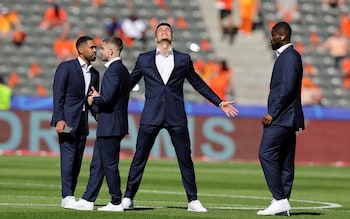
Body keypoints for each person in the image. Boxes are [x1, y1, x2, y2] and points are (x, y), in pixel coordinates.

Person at [121, 22, 239, 212]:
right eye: (160, 30)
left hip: (176, 116)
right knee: (139, 158)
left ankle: (193, 200)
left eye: (167, 30)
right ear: (155, 38)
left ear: (172, 37)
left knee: (185, 158)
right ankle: (128, 197)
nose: (164, 32)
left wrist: (218, 102)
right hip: (151, 116)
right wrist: (106, 98)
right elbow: (128, 83)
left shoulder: (183, 59)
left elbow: (198, 83)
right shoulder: (144, 59)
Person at [65, 37, 131, 212]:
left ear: (111, 51)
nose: (99, 52)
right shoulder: (122, 70)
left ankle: (116, 201)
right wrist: (99, 95)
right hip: (111, 124)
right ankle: (88, 199)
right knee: (98, 164)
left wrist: (94, 99)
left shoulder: (113, 71)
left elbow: (107, 100)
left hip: (110, 124)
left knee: (109, 164)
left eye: (102, 49)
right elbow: (111, 96)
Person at [257, 21, 304, 216]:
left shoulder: (289, 57)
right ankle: (282, 205)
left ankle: (279, 198)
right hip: (287, 117)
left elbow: (286, 88)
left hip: (282, 117)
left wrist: (272, 112)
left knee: (266, 153)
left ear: (283, 36)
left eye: (273, 34)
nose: (271, 38)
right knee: (285, 160)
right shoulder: (287, 56)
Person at [51, 36, 99, 209]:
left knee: (77, 161)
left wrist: (100, 117)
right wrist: (59, 119)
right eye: (92, 47)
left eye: (96, 47)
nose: (95, 50)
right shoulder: (66, 67)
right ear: (80, 49)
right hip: (67, 121)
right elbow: (58, 96)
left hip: (83, 123)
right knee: (68, 158)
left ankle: (70, 195)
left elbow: (92, 100)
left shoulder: (95, 73)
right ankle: (67, 195)